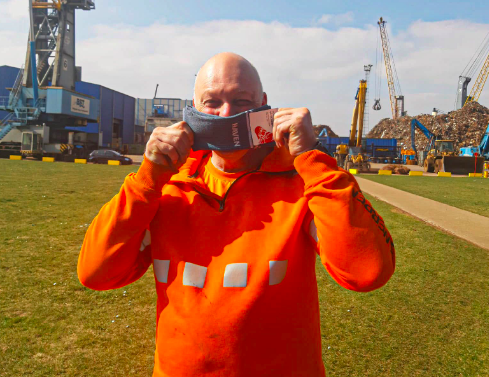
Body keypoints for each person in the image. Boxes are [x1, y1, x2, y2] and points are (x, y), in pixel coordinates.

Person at [77, 52, 395, 377]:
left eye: (242, 101)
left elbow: (366, 272)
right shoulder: (167, 184)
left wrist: (311, 157)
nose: (226, 114)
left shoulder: (301, 182)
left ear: (265, 105)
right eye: (212, 102)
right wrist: (148, 176)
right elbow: (97, 273)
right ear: (194, 108)